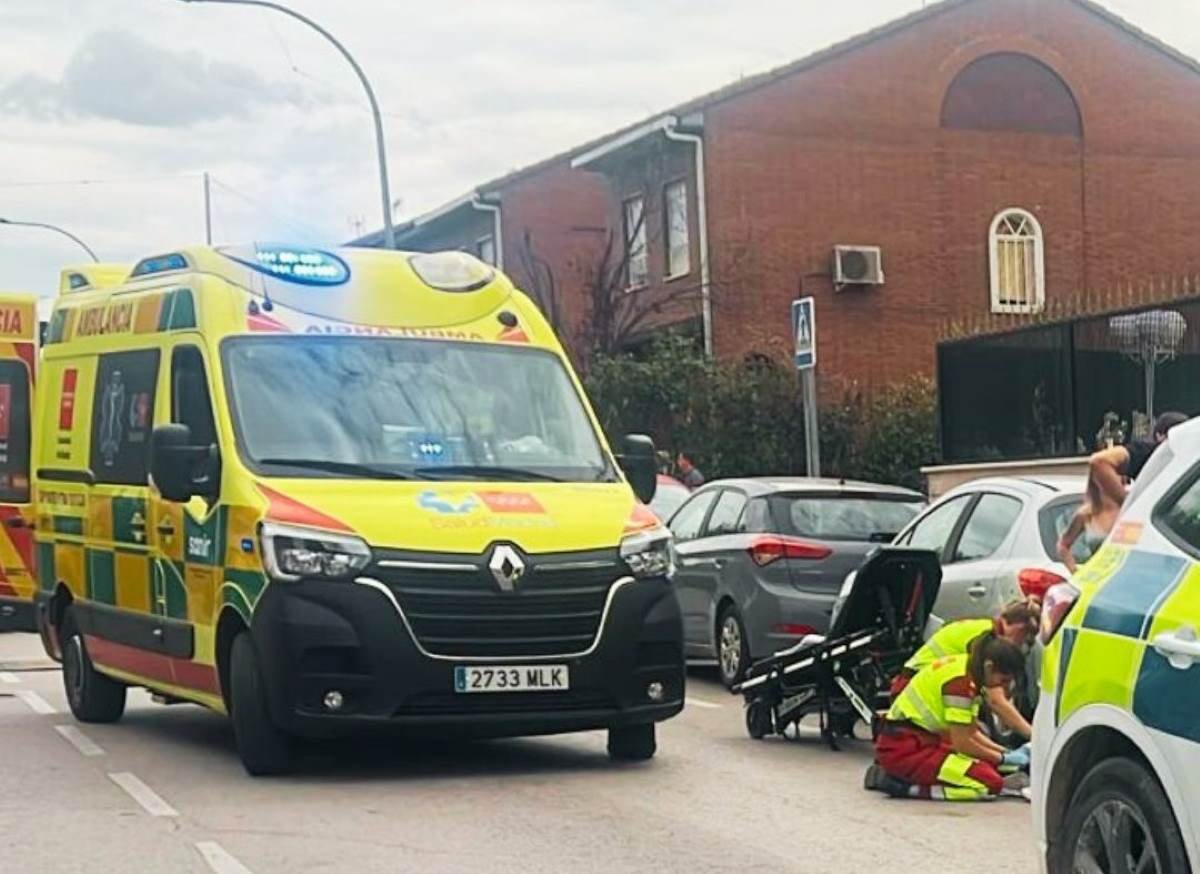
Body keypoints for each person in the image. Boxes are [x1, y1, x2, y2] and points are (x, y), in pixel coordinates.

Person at [866, 634, 1029, 801]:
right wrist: (1003, 759)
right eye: (1003, 680)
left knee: (989, 765)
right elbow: (963, 743)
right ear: (989, 667)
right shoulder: (960, 684)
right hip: (906, 749)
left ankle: (903, 777)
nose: (1004, 686)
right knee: (989, 784)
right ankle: (902, 787)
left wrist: (1005, 753)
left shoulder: (967, 670)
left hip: (917, 742)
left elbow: (972, 732)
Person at [890, 600, 1040, 740]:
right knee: (973, 739)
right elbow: (995, 699)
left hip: (920, 687)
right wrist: (1033, 736)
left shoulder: (985, 627)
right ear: (1020, 629)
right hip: (915, 694)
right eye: (1026, 641)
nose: (1021, 646)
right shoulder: (986, 638)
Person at [1088, 412, 1188, 506]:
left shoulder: (1188, 458)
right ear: (1159, 436)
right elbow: (1100, 461)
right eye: (1178, 438)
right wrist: (1127, 503)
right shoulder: (1145, 451)